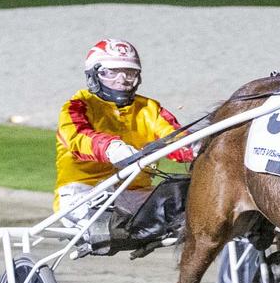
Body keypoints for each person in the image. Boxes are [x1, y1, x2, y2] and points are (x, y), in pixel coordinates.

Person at [54, 38, 195, 253]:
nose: (122, 80)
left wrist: (196, 147)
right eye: (112, 72)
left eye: (129, 73)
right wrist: (112, 148)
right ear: (93, 75)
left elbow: (175, 138)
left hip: (135, 194)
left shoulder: (149, 108)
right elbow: (78, 137)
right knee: (110, 225)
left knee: (197, 201)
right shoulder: (76, 107)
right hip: (84, 193)